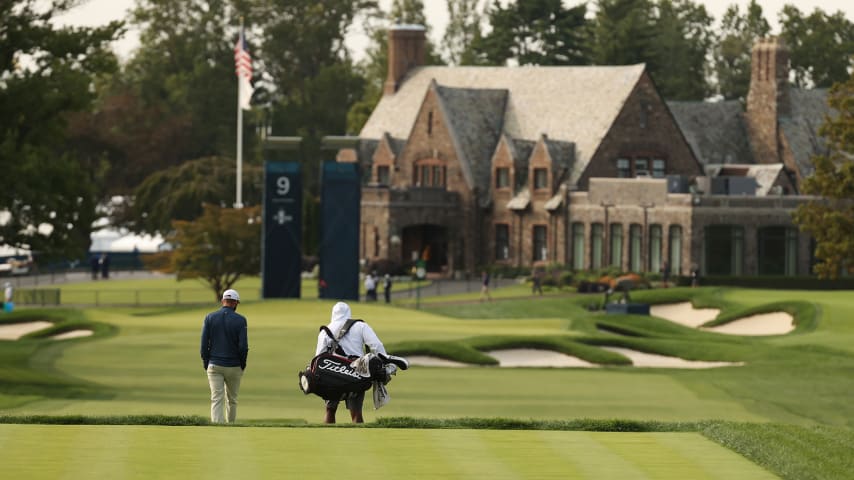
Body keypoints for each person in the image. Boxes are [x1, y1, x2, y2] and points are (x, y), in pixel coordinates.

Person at [315, 301, 407, 424]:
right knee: (356, 412)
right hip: (357, 373)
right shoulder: (360, 326)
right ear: (349, 313)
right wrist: (385, 365)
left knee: (330, 409)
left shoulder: (325, 331)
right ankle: (358, 437)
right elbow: (376, 345)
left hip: (334, 374)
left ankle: (328, 438)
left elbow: (319, 357)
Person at [200, 289, 249, 424]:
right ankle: (230, 425)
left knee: (216, 398)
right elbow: (243, 347)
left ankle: (217, 427)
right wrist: (242, 364)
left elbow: (204, 345)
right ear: (236, 303)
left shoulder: (209, 317)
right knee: (232, 399)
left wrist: (206, 362)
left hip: (214, 364)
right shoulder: (241, 320)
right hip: (234, 366)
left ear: (223, 301)